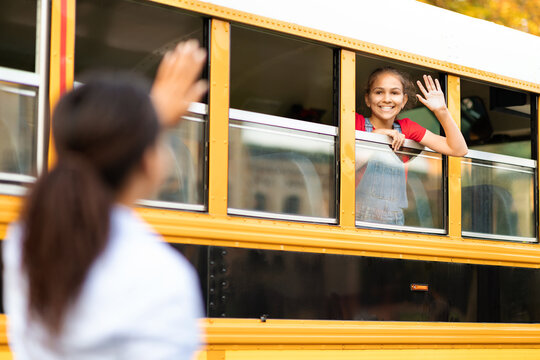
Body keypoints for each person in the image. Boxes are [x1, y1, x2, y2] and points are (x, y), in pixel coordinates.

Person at [3, 40, 208, 359]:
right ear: (147, 161)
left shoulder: (26, 244)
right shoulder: (162, 277)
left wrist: (145, 125)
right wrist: (148, 123)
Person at [356, 67, 467, 226]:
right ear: (368, 99)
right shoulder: (355, 122)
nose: (387, 99)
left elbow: (458, 149)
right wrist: (378, 136)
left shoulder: (408, 128)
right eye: (379, 92)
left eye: (394, 93)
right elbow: (349, 165)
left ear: (404, 100)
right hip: (356, 216)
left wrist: (441, 110)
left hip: (393, 219)